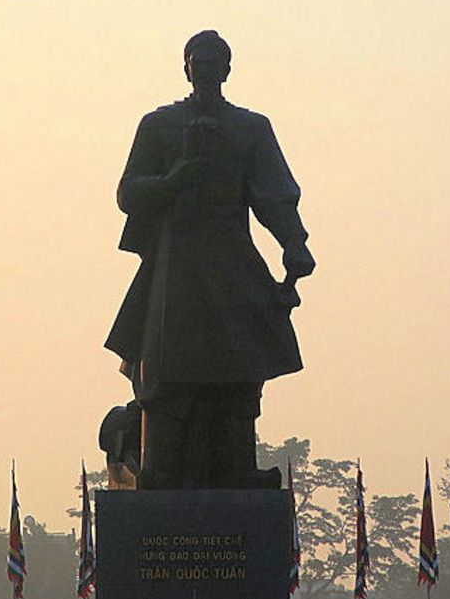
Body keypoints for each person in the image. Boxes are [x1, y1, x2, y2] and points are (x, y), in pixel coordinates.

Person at [103, 30, 315, 489]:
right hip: (176, 262)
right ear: (187, 68)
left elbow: (275, 195)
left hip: (230, 257)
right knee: (170, 365)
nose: (207, 69)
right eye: (199, 61)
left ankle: (238, 465)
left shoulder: (250, 128)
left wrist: (294, 244)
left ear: (228, 69)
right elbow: (128, 193)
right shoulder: (159, 125)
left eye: (215, 61)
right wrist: (174, 179)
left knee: (237, 364)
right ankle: (159, 464)